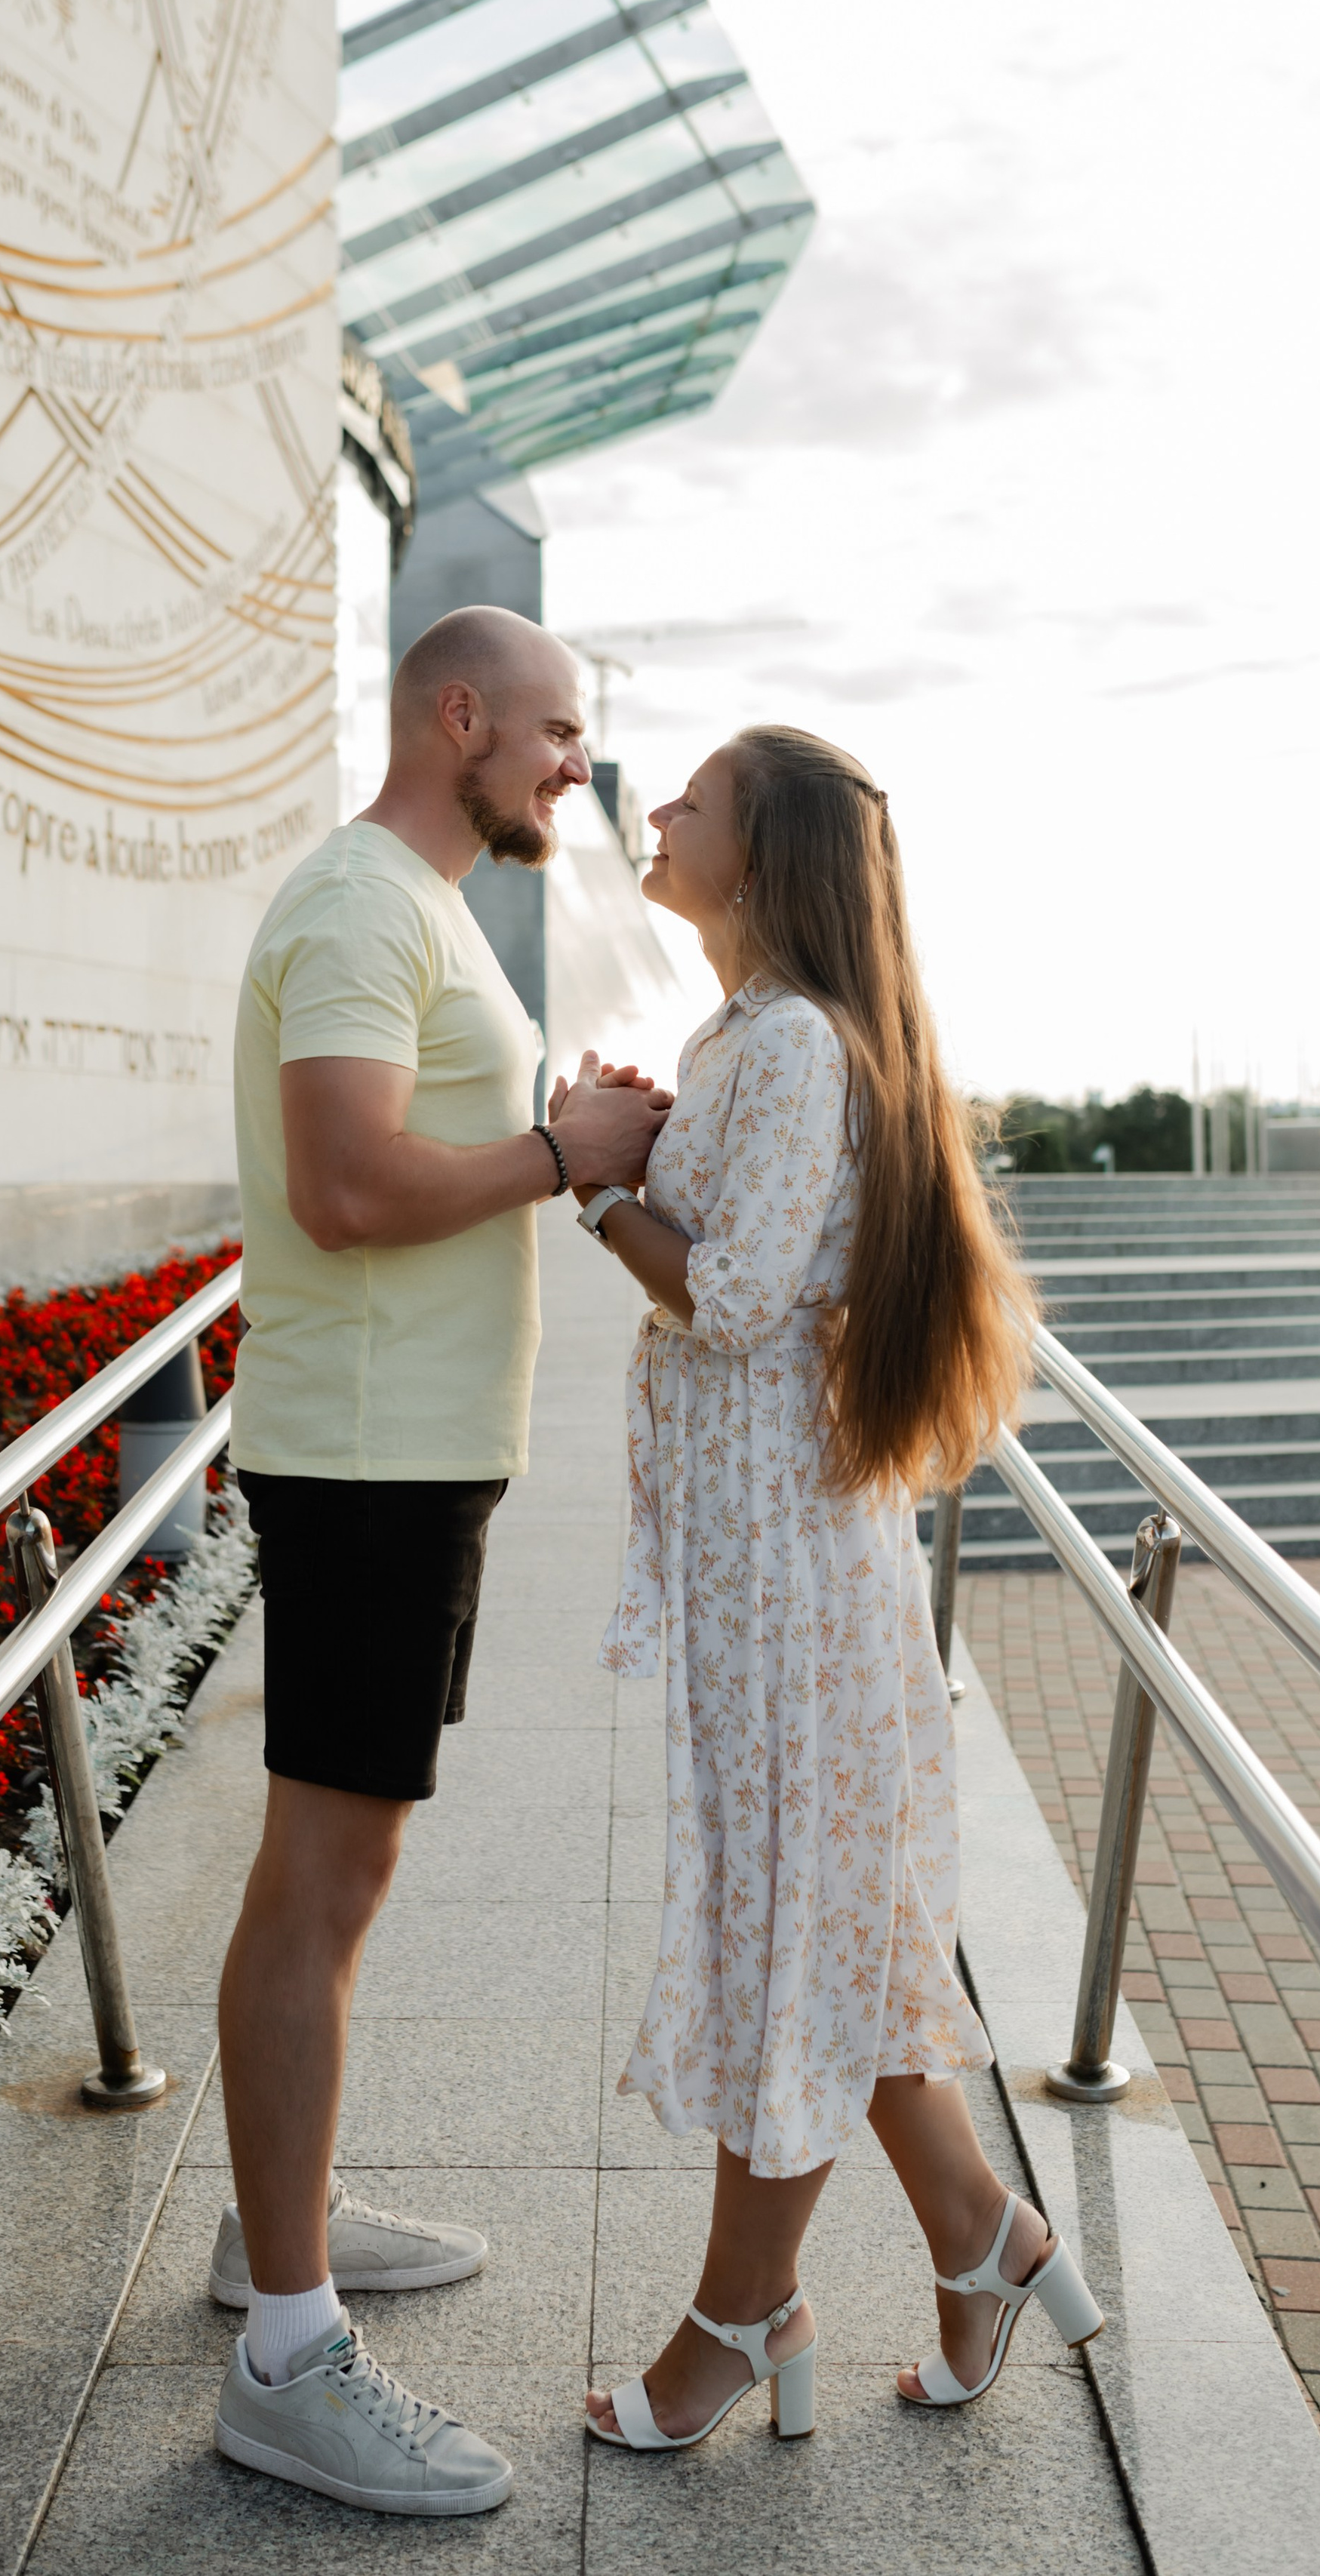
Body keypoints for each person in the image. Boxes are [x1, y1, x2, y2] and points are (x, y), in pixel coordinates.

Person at [561, 723, 1103, 2452]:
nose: (655, 812)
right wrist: (634, 1144)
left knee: (785, 1932)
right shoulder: (740, 1036)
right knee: (830, 1924)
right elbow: (745, 1272)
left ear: (765, 858)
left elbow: (722, 1299)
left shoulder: (794, 1045)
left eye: (693, 802)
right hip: (763, 1570)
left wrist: (591, 1182)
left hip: (787, 1580)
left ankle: (741, 2314)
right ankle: (983, 2237)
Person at [211, 605, 670, 2515]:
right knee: (319, 1876)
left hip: (411, 1460)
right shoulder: (358, 907)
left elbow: (409, 1148)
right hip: (363, 1463)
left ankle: (270, 2233)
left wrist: (555, 1129)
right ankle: (284, 2352)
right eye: (558, 730)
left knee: (347, 1860)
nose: (576, 763)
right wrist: (561, 1156)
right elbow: (341, 1182)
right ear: (459, 716)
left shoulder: (416, 913)